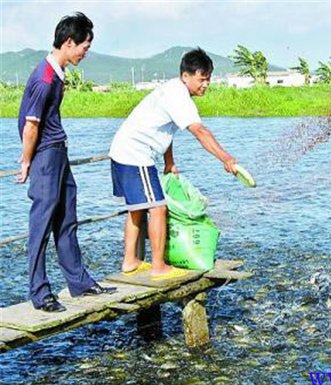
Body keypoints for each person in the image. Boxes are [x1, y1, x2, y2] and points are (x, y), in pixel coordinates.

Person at [17, 12, 116, 313]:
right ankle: (40, 292)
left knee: (67, 218)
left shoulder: (57, 73)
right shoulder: (44, 78)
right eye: (84, 47)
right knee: (41, 224)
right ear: (69, 42)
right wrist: (25, 162)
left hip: (58, 151)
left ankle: (79, 282)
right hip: (46, 155)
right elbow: (30, 125)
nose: (86, 53)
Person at [109, 47, 237, 278]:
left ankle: (130, 261)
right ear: (186, 76)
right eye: (202, 79)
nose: (206, 84)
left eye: (208, 79)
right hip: (135, 154)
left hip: (123, 151)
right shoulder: (178, 96)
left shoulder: (173, 91)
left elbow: (165, 130)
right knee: (158, 208)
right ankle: (159, 266)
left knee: (137, 209)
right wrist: (225, 158)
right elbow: (200, 131)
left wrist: (169, 162)